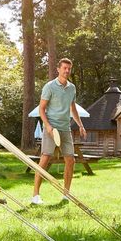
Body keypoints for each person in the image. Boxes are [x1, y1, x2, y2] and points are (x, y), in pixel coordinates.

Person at [31, 58, 87, 204]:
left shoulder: (72, 88)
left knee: (70, 160)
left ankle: (66, 195)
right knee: (45, 159)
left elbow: (72, 108)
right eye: (64, 68)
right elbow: (41, 109)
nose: (67, 71)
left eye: (69, 68)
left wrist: (80, 125)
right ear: (58, 69)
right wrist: (48, 126)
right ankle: (36, 195)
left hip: (65, 128)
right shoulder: (49, 87)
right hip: (51, 127)